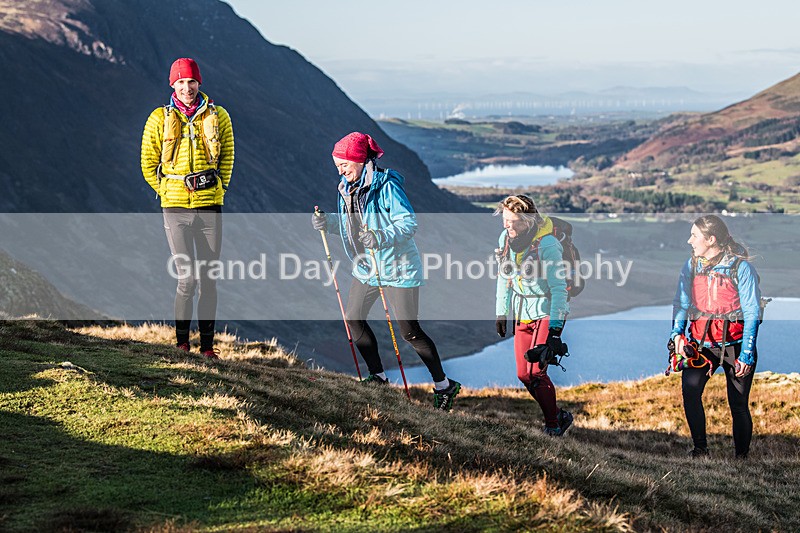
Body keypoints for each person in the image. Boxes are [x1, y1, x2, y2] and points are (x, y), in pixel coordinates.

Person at [312, 132, 461, 411]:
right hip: (367, 267)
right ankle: (378, 377)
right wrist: (327, 222)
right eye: (337, 167)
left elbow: (408, 223)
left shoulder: (387, 186)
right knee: (353, 318)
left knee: (409, 332)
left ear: (359, 159)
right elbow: (350, 225)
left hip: (398, 269)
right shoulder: (346, 188)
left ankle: (444, 385)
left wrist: (380, 236)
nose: (341, 170)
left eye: (344, 164)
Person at [140, 58, 234, 358]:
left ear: (199, 82)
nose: (187, 87)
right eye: (180, 82)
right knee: (187, 278)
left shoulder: (219, 116)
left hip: (209, 205)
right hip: (175, 208)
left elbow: (227, 157)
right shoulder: (158, 118)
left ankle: (207, 347)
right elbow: (147, 162)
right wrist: (167, 191)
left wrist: (220, 189)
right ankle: (182, 343)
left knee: (208, 277)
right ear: (172, 85)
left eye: (191, 81)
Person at [670, 215, 761, 459]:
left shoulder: (742, 269)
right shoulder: (691, 265)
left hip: (736, 346)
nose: (690, 241)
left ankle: (741, 458)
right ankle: (700, 450)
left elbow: (752, 313)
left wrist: (747, 354)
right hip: (701, 345)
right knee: (690, 391)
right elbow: (681, 304)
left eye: (694, 236)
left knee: (739, 405)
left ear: (711, 240)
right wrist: (676, 334)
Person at [494, 195, 573, 436]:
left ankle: (553, 426)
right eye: (505, 220)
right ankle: (558, 415)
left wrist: (555, 331)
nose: (507, 225)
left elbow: (560, 290)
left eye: (513, 221)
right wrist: (501, 311)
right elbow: (504, 277)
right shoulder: (505, 239)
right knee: (523, 374)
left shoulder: (548, 245)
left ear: (528, 221)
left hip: (545, 312)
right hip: (521, 312)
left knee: (536, 371)